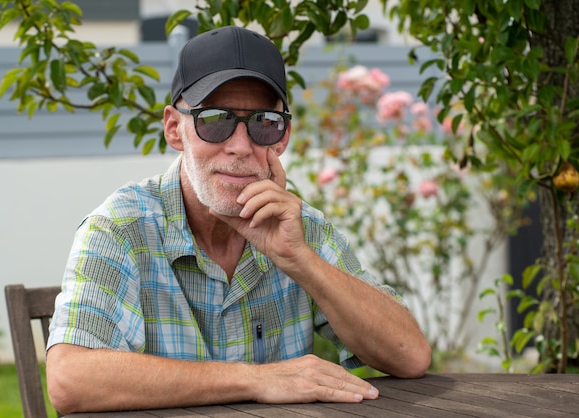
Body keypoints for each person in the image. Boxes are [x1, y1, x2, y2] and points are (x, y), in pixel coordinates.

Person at [46, 25, 431, 414]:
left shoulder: (298, 228)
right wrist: (258, 379)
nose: (241, 147)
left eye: (264, 123)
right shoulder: (121, 227)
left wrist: (301, 260)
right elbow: (70, 379)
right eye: (215, 120)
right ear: (174, 129)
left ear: (283, 137)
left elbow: (410, 356)